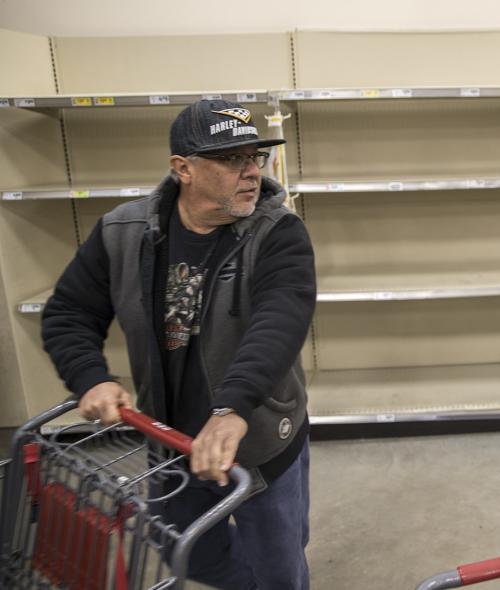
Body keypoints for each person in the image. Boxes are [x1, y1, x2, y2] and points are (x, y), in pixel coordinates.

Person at [41, 99, 316, 590]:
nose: (251, 172)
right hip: (169, 441)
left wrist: (232, 407)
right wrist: (92, 377)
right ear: (182, 169)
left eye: (256, 157)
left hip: (256, 439)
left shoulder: (278, 233)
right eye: (232, 160)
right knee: (186, 555)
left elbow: (279, 322)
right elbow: (69, 312)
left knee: (281, 567)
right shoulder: (122, 233)